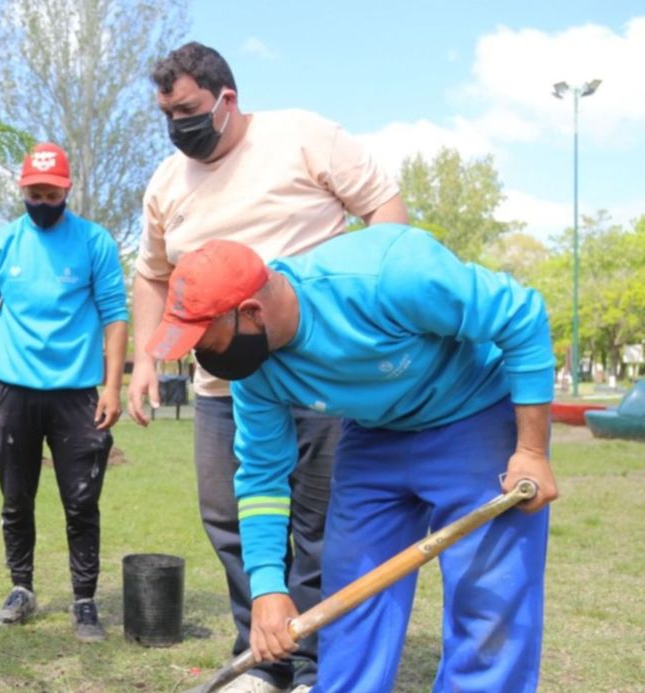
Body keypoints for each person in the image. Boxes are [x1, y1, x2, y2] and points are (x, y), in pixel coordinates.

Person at [148, 225, 557, 692]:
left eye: (205, 342)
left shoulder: (388, 274)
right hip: (376, 434)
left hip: (474, 413)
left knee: (488, 601)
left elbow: (522, 315)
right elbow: (263, 477)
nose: (201, 358)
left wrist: (530, 451)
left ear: (251, 312)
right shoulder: (255, 374)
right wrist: (266, 587)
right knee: (351, 601)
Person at [126, 41, 407, 693]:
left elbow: (386, 211)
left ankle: (315, 665)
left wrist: (378, 312)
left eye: (190, 110)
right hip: (222, 385)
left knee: (317, 520)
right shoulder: (167, 183)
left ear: (228, 99)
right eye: (167, 115)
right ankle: (263, 658)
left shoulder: (304, 138)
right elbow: (152, 276)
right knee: (232, 517)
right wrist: (145, 358)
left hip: (316, 375)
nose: (179, 127)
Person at [0, 142, 128, 642]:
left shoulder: (95, 242)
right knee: (16, 498)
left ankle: (84, 600)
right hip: (13, 391)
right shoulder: (1, 244)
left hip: (77, 394)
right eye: (35, 192)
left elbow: (116, 315)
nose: (43, 201)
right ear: (22, 189)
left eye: (52, 194)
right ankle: (21, 588)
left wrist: (113, 386)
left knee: (81, 502)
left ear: (67, 191)